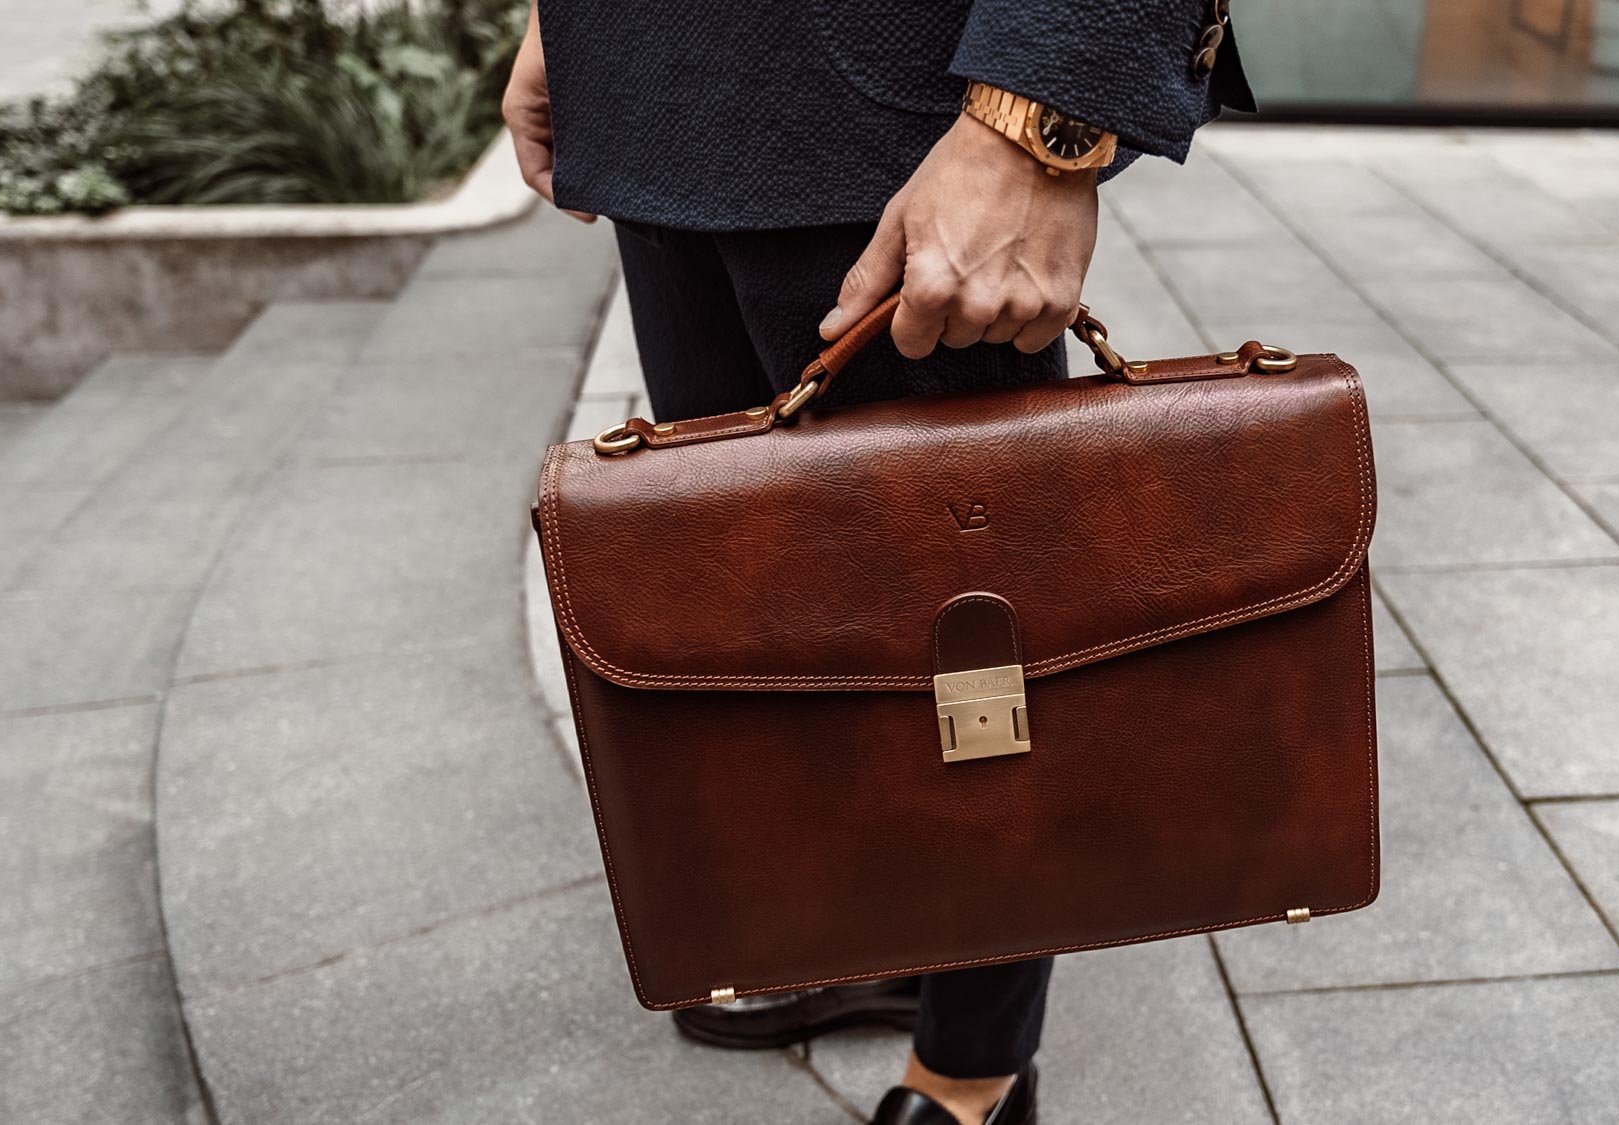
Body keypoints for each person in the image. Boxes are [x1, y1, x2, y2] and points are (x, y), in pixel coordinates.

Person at [503, 4, 1252, 1122]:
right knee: (769, 621)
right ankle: (895, 923)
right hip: (652, 88)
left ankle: (973, 1074)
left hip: (894, 104)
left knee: (978, 656)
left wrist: (1038, 117)